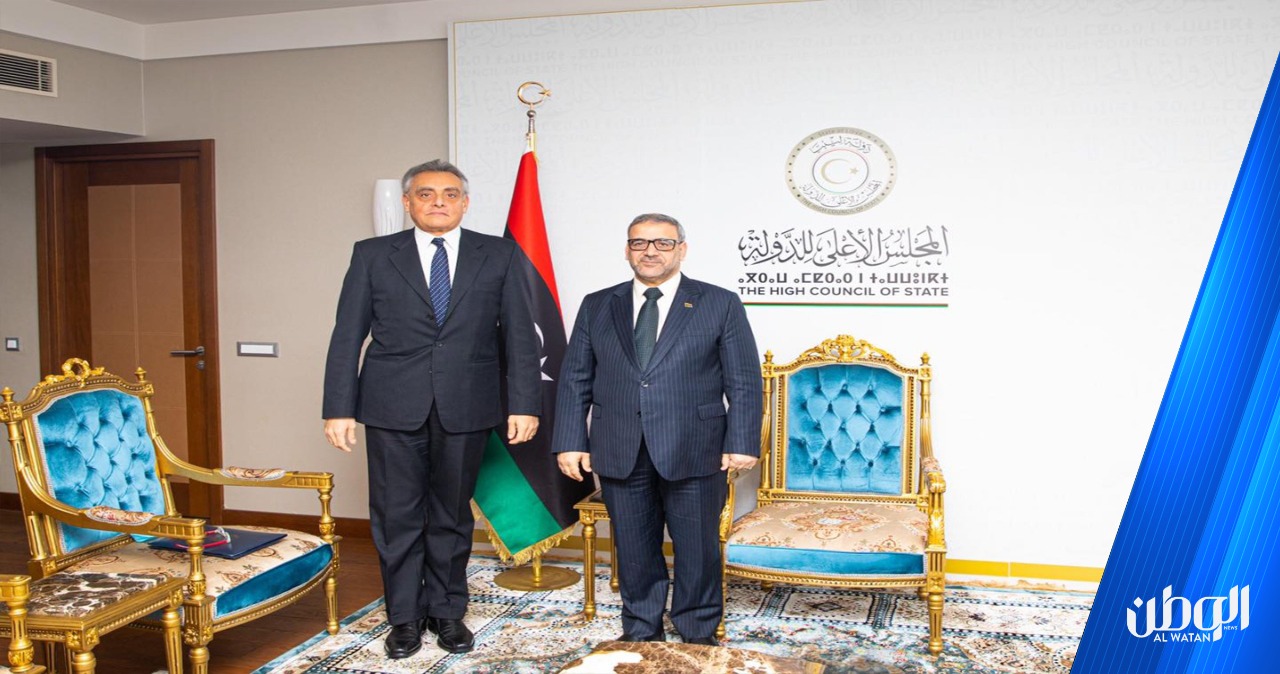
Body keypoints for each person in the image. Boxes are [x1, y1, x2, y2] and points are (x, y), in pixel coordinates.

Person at [322, 159, 541, 659]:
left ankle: (446, 612)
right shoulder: (372, 255)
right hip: (390, 406)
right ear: (407, 202)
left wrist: (525, 404)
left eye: (449, 194)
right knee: (396, 516)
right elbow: (347, 335)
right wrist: (338, 408)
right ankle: (403, 617)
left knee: (451, 515)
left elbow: (520, 336)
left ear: (465, 202)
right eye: (426, 194)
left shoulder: (499, 253)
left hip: (468, 403)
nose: (438, 202)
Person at [553, 213, 762, 645]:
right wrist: (570, 441)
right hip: (619, 446)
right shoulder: (598, 304)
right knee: (633, 547)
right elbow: (575, 377)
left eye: (662, 243)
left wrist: (742, 441)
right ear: (627, 250)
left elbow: (742, 379)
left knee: (698, 548)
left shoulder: (719, 302)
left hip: (696, 447)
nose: (650, 251)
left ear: (681, 250)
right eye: (639, 243)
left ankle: (697, 631)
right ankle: (641, 630)